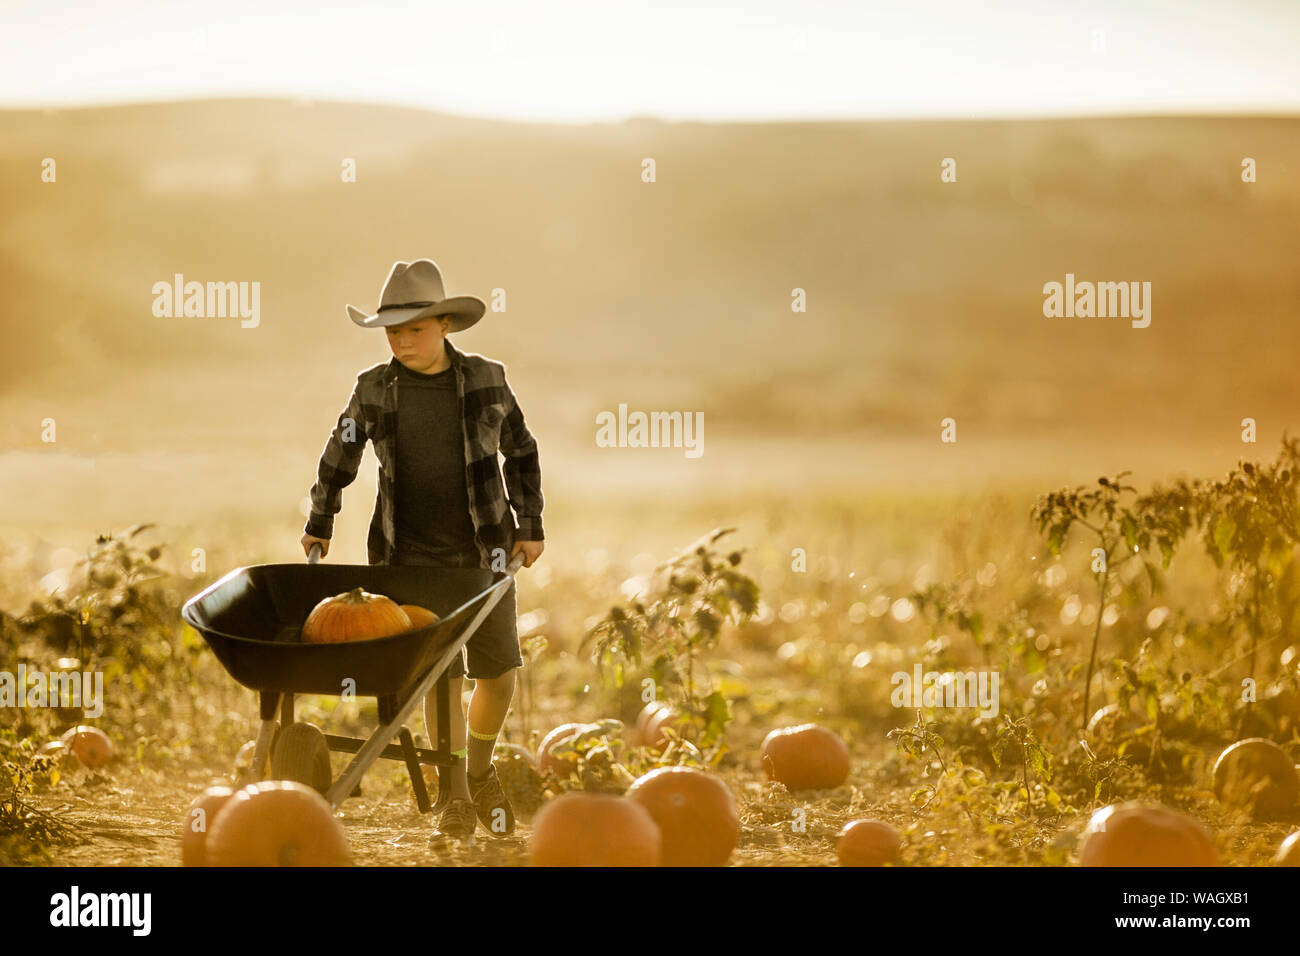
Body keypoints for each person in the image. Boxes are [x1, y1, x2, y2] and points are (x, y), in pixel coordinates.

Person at [300, 258, 545, 841]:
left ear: (444, 325)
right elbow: (341, 455)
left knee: (500, 672)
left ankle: (479, 768)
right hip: (407, 555)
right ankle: (454, 792)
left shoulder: (487, 379)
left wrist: (529, 524)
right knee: (442, 674)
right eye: (392, 330)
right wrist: (320, 518)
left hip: (484, 554)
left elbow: (522, 450)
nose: (403, 340)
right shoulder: (374, 389)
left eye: (414, 328)